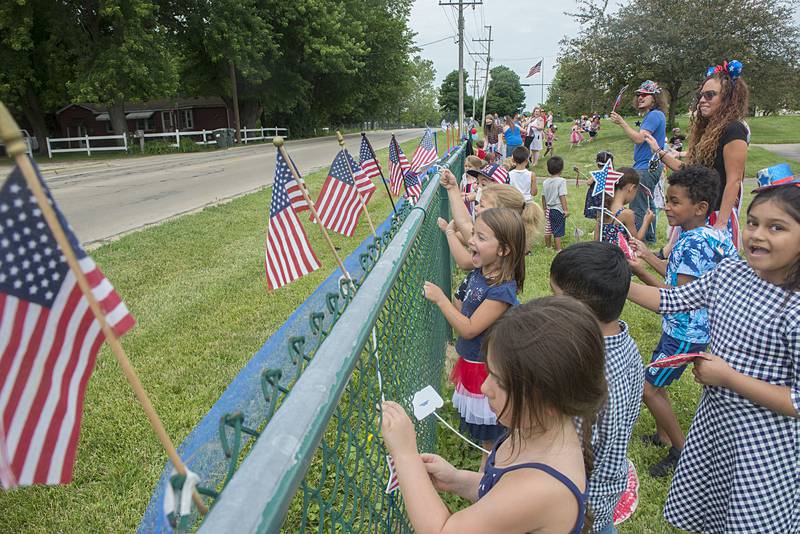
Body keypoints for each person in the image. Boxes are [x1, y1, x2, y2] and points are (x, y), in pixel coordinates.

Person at [626, 181, 800, 533]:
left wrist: (729, 378)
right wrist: (610, 284)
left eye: (776, 227)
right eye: (752, 223)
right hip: (716, 424)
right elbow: (674, 300)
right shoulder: (732, 273)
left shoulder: (795, 306)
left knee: (750, 519)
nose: (757, 235)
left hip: (763, 443)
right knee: (715, 512)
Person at [380, 296, 607, 534]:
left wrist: (405, 454)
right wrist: (458, 479)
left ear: (547, 399)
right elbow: (502, 492)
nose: (485, 388)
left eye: (499, 382)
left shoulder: (542, 488)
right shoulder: (541, 427)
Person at [628, 166, 737, 477]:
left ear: (700, 207)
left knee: (648, 389)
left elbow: (678, 296)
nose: (667, 206)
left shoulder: (693, 243)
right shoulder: (707, 234)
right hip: (687, 327)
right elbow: (680, 277)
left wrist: (637, 272)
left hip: (688, 329)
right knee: (655, 379)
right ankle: (664, 436)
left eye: (675, 202)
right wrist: (647, 256)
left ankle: (681, 449)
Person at [550, 242, 645, 534]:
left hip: (577, 504)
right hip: (605, 491)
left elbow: (569, 447)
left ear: (578, 308)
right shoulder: (625, 344)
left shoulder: (588, 372)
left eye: (555, 297)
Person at [423, 208, 527, 451]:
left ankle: (490, 466)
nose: (471, 240)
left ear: (503, 250)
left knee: (492, 428)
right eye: (473, 234)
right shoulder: (481, 271)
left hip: (486, 367)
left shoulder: (502, 291)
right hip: (473, 360)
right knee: (485, 427)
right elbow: (464, 304)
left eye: (480, 237)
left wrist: (441, 300)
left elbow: (468, 329)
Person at [644, 60, 749, 249]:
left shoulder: (734, 129)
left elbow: (734, 180)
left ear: (728, 97)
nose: (702, 100)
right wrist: (658, 151)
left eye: (710, 95)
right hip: (696, 216)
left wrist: (721, 225)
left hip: (716, 216)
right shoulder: (708, 131)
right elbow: (689, 171)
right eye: (701, 95)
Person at [609, 80, 667, 244]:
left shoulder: (654, 115)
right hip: (648, 166)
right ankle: (649, 238)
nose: (640, 97)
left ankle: (640, 242)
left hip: (646, 167)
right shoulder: (653, 115)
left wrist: (622, 123)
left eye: (644, 94)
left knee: (638, 205)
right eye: (638, 94)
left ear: (654, 97)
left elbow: (639, 139)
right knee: (647, 204)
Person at [599, 167, 655, 245]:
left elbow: (597, 239)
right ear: (631, 188)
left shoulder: (602, 209)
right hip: (619, 256)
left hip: (603, 254)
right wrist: (646, 222)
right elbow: (636, 241)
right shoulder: (627, 214)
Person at [541, 156, 568, 251]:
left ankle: (548, 247)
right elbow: (562, 196)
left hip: (548, 209)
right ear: (561, 169)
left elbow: (543, 197)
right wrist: (565, 210)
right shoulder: (561, 181)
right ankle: (558, 249)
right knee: (557, 231)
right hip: (557, 209)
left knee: (548, 229)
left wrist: (544, 208)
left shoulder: (545, 182)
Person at [584, 151, 614, 221]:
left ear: (598, 163)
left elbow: (589, 182)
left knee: (598, 214)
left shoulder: (598, 174)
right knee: (605, 214)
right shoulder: (610, 173)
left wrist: (589, 180)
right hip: (607, 197)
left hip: (597, 198)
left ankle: (598, 227)